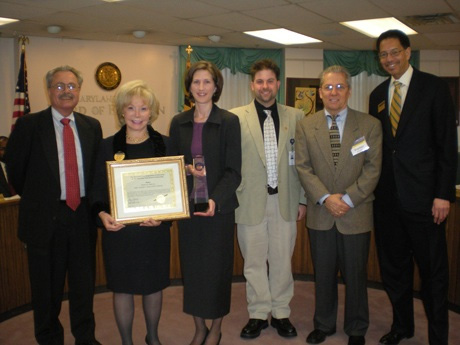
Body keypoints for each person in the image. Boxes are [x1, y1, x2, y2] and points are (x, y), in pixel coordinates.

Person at [369, 30, 458, 345]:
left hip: (425, 201)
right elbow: (379, 149)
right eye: (383, 54)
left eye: (394, 52)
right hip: (388, 202)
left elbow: (448, 146)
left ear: (407, 51)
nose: (389, 59)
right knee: (395, 271)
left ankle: (438, 337)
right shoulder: (378, 95)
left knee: (433, 275)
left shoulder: (433, 88)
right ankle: (402, 326)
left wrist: (443, 194)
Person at [5, 65, 103, 345]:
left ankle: (86, 337)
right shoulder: (29, 126)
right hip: (45, 219)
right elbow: (16, 171)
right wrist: (43, 199)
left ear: (80, 91)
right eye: (59, 86)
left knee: (84, 286)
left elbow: (95, 172)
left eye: (72, 86)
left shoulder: (90, 126)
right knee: (46, 288)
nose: (66, 91)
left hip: (81, 216)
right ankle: (49, 338)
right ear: (49, 91)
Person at [295, 65, 382, 345]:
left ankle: (356, 328)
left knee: (356, 276)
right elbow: (303, 167)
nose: (334, 92)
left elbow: (372, 169)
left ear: (349, 90)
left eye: (339, 87)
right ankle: (324, 324)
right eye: (328, 87)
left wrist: (346, 199)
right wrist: (325, 198)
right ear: (320, 93)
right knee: (323, 274)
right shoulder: (307, 125)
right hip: (321, 213)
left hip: (355, 212)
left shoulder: (369, 125)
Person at [230, 59, 306, 340]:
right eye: (259, 81)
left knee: (282, 260)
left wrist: (302, 200)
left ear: (277, 84)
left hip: (284, 201)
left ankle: (282, 312)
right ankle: (259, 313)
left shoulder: (296, 116)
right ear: (253, 85)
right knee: (253, 262)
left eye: (270, 81)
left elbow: (302, 163)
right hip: (249, 202)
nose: (265, 86)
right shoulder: (235, 118)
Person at [90, 80, 170, 345]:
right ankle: (126, 341)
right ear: (121, 112)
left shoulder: (166, 146)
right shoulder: (105, 146)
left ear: (152, 112)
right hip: (119, 233)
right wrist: (102, 215)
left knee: (153, 287)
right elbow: (97, 191)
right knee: (122, 289)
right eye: (131, 108)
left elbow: (175, 192)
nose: (137, 114)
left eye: (143, 108)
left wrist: (164, 216)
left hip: (153, 232)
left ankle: (154, 337)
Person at [168, 61, 241, 345]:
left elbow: (234, 171)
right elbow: (172, 165)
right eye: (196, 82)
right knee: (194, 270)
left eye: (207, 82)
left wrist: (214, 200)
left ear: (216, 86)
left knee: (218, 270)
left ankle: (217, 328)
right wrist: (187, 170)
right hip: (188, 208)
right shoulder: (178, 122)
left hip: (218, 209)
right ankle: (200, 327)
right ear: (189, 87)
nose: (201, 87)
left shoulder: (229, 121)